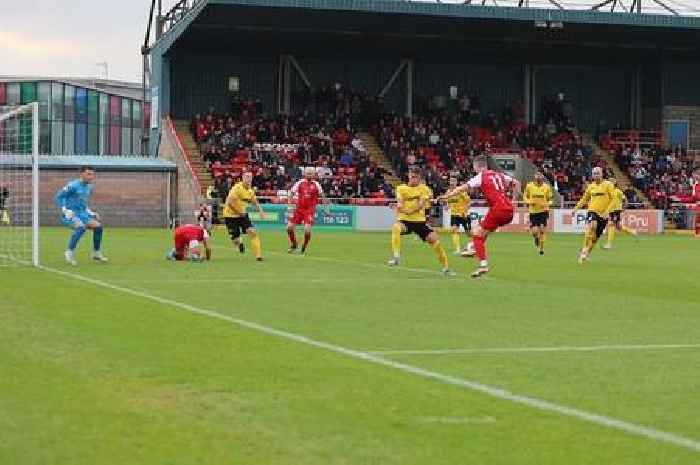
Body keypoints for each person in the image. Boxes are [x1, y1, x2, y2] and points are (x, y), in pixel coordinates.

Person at [440, 156, 520, 278]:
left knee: (477, 235)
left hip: (498, 209)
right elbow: (516, 183)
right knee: (482, 232)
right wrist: (514, 199)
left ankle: (483, 264)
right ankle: (472, 247)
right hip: (509, 210)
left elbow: (463, 188)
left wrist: (448, 196)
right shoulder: (499, 175)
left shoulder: (481, 176)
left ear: (476, 166)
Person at [389, 168, 454, 276]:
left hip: (420, 222)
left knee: (436, 242)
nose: (415, 180)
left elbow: (420, 205)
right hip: (405, 221)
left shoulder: (424, 189)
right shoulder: (400, 188)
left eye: (417, 177)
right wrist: (399, 207)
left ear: (420, 178)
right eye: (413, 177)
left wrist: (405, 210)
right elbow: (400, 202)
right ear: (409, 176)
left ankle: (446, 268)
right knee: (396, 227)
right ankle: (396, 256)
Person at [54, 166, 107, 266]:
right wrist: (65, 210)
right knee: (81, 227)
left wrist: (91, 213)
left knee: (98, 227)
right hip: (71, 214)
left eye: (92, 174)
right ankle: (69, 252)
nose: (91, 177)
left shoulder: (89, 187)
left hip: (82, 213)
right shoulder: (73, 185)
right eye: (88, 174)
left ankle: (96, 253)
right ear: (82, 174)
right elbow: (59, 197)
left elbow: (83, 203)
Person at [571, 167, 614, 264]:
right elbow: (584, 199)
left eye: (598, 173)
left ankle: (585, 254)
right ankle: (584, 248)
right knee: (592, 226)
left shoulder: (608, 185)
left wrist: (607, 211)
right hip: (592, 211)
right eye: (594, 173)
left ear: (602, 174)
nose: (596, 175)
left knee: (595, 239)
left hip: (603, 214)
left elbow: (613, 199)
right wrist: (575, 209)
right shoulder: (591, 186)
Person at [222, 171, 266, 261]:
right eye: (247, 177)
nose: (249, 179)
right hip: (230, 216)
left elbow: (254, 202)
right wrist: (238, 212)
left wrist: (261, 211)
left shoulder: (250, 190)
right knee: (235, 240)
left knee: (252, 232)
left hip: (242, 215)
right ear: (242, 178)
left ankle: (258, 256)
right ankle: (240, 243)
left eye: (250, 177)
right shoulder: (237, 188)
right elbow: (229, 203)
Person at [287, 167, 328, 254]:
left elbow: (323, 196)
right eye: (308, 173)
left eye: (311, 173)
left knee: (307, 230)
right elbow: (291, 193)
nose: (309, 175)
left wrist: (326, 208)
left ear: (314, 175)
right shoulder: (299, 183)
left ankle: (303, 247)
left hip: (309, 210)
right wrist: (290, 206)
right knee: (289, 228)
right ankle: (294, 244)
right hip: (299, 209)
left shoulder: (316, 184)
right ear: (304, 174)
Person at [522, 171, 553, 255]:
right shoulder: (529, 186)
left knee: (542, 229)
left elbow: (550, 199)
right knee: (535, 232)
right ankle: (536, 238)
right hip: (533, 211)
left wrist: (548, 203)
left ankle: (541, 249)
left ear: (542, 178)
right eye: (537, 176)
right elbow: (525, 196)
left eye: (540, 176)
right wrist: (529, 201)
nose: (539, 178)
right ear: (535, 178)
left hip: (543, 211)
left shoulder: (546, 187)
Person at [603, 178, 637, 249]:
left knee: (611, 225)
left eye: (610, 182)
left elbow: (625, 200)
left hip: (616, 210)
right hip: (611, 210)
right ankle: (632, 232)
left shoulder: (618, 191)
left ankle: (609, 244)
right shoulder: (608, 192)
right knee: (618, 227)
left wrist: (624, 208)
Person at [444, 177, 471, 255]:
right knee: (454, 230)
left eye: (454, 181)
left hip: (463, 215)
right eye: (451, 181)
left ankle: (474, 244)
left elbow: (469, 203)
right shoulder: (448, 192)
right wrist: (446, 206)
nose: (452, 183)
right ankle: (458, 249)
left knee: (468, 233)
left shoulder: (461, 191)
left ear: (456, 182)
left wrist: (465, 211)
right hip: (454, 215)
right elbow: (447, 201)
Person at [693, 168, 700, 237]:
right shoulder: (695, 185)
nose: (696, 176)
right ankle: (697, 233)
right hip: (698, 205)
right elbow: (694, 197)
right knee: (697, 219)